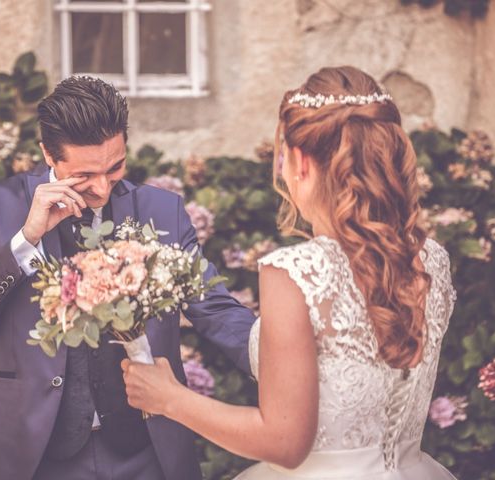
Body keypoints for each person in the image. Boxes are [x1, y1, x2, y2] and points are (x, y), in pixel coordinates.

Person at [121, 66, 458, 479]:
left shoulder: (295, 272)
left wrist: (169, 398)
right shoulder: (433, 262)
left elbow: (284, 443)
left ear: (299, 161)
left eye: (283, 155)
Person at [0, 76, 256, 480]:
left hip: (147, 453)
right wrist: (25, 240)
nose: (102, 188)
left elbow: (217, 310)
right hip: (32, 455)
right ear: (48, 154)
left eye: (115, 167)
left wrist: (283, 364)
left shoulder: (163, 211)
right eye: (85, 175)